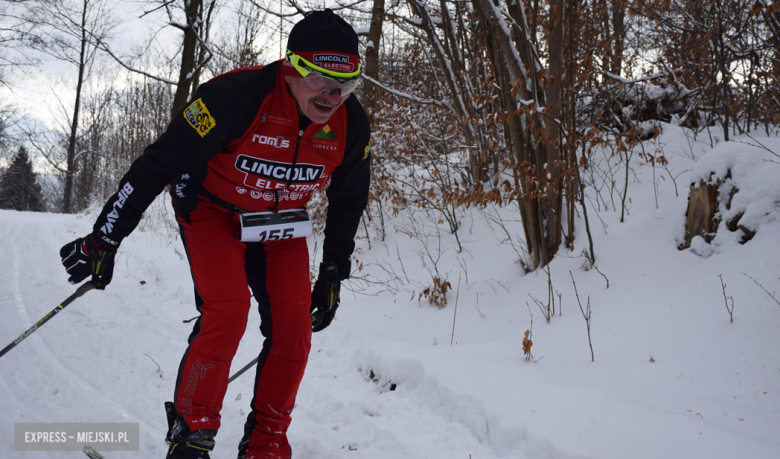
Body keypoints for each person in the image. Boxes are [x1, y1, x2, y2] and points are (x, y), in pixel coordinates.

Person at [59, 9, 371, 459]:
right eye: (321, 77)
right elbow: (158, 164)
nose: (334, 93)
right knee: (227, 310)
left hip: (279, 223)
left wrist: (334, 273)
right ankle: (192, 435)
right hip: (211, 207)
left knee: (294, 329)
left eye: (347, 82)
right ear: (291, 68)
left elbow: (348, 200)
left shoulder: (351, 125)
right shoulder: (234, 98)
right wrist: (103, 239)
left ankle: (266, 443)